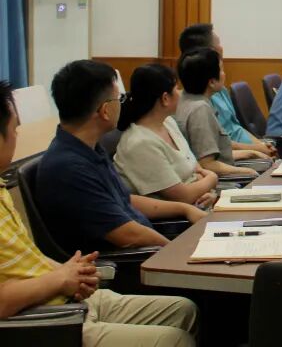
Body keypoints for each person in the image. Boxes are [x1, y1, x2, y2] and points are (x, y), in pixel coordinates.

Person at [0, 80, 199, 346]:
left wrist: (69, 271)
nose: (17, 136)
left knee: (185, 310)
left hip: (67, 295)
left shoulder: (3, 188)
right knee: (174, 340)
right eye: (14, 129)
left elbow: (28, 261)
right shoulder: (68, 166)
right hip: (44, 318)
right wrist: (60, 279)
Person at [37, 61, 205, 253]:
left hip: (148, 245)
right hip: (125, 262)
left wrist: (184, 209)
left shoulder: (89, 149)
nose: (123, 103)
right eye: (119, 99)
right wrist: (178, 253)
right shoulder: (69, 168)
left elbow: (123, 200)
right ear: (105, 111)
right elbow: (129, 235)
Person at [113, 64, 219, 207]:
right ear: (165, 98)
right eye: (176, 89)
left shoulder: (168, 122)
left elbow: (196, 169)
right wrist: (212, 179)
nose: (180, 93)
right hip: (176, 218)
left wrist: (210, 193)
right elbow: (183, 196)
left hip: (200, 205)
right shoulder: (140, 143)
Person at [178, 23, 275, 157]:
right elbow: (219, 146)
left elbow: (236, 127)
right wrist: (256, 150)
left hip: (249, 151)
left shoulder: (220, 89)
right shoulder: (200, 103)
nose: (222, 48)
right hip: (235, 157)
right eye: (218, 44)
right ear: (209, 52)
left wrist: (261, 145)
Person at [175, 48, 262, 179]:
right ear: (211, 82)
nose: (224, 74)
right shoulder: (200, 110)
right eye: (221, 70)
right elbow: (208, 164)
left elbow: (217, 155)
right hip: (219, 182)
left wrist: (251, 153)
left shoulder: (185, 100)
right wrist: (250, 172)